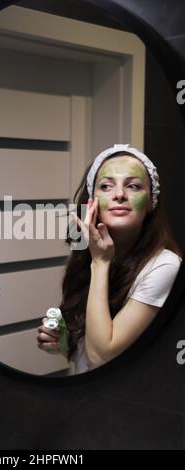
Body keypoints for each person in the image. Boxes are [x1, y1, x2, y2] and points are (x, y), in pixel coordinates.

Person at [37, 144, 183, 374]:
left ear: (152, 202)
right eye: (106, 186)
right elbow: (88, 355)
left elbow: (101, 357)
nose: (119, 195)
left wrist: (101, 263)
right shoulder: (86, 255)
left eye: (133, 186)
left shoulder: (165, 266)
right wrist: (66, 344)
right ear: (92, 201)